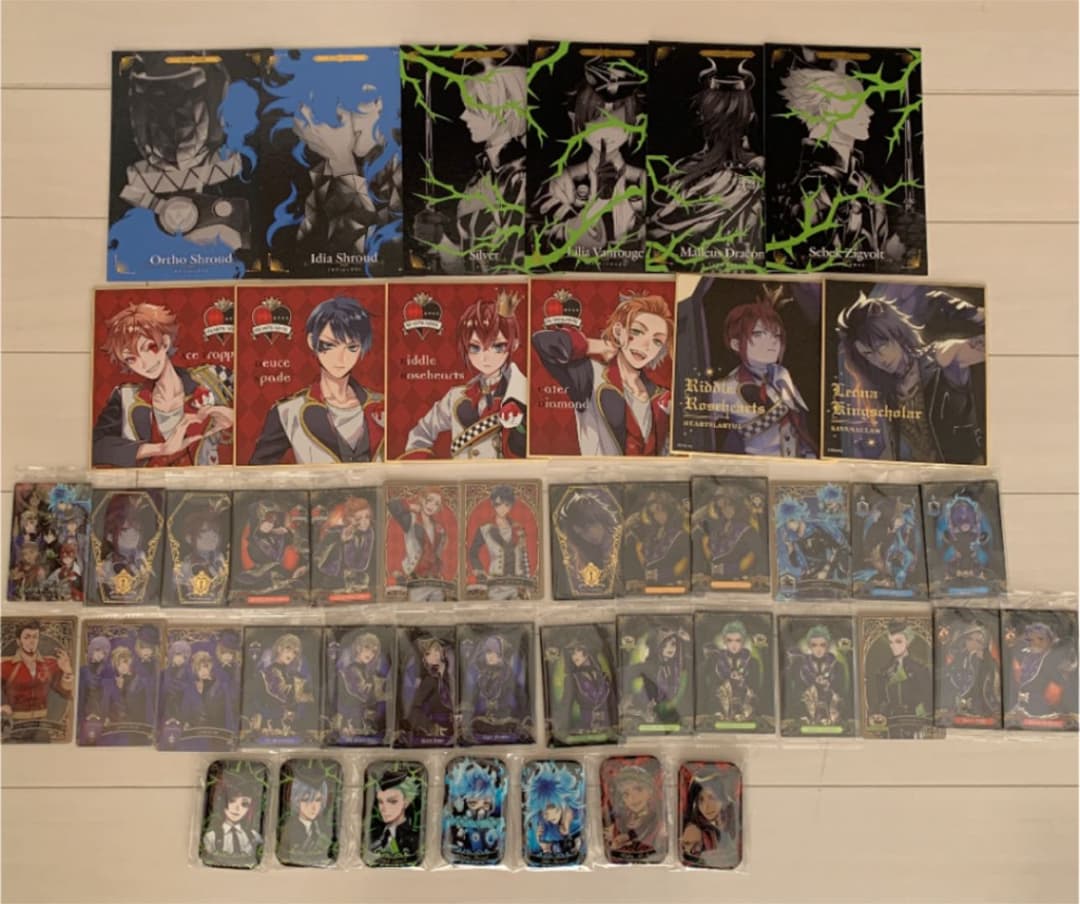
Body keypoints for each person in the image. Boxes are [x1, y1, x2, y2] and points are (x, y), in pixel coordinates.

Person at [262, 48, 401, 276]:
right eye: (332, 103)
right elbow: (311, 260)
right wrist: (338, 162)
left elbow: (370, 264)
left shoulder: (403, 167)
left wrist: (341, 161)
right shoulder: (327, 167)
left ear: (381, 102)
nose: (345, 121)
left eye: (361, 101)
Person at [774, 59, 907, 267]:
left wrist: (900, 243)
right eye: (856, 103)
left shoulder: (867, 183)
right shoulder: (810, 187)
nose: (869, 111)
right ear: (827, 109)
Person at [836, 291, 986, 463]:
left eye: (881, 345)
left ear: (896, 333)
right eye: (868, 354)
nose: (879, 358)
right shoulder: (888, 391)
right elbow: (898, 447)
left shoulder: (940, 357)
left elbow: (996, 345)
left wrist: (974, 314)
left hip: (962, 469)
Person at [412, 60, 527, 272]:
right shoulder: (482, 174)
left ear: (507, 108)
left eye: (475, 107)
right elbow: (470, 266)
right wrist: (442, 240)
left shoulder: (520, 179)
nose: (464, 116)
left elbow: (512, 271)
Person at [648, 58, 763, 263]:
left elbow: (658, 239)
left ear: (702, 116)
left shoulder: (683, 171)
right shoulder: (760, 176)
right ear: (750, 117)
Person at [92, 302, 234, 467]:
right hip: (151, 483)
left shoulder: (214, 377)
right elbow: (95, 447)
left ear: (165, 342)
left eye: (148, 347)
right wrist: (161, 449)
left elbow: (255, 423)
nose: (144, 363)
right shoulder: (125, 397)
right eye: (131, 359)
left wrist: (233, 418)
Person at [533, 291, 673, 456]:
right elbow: (545, 342)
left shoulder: (662, 397)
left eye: (657, 341)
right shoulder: (590, 374)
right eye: (637, 331)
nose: (646, 345)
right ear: (618, 331)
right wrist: (600, 346)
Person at [533, 57, 646, 258]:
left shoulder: (643, 180)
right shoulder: (563, 182)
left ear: (634, 122)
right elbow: (548, 242)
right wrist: (599, 202)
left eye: (618, 120)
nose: (607, 130)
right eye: (596, 119)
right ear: (576, 121)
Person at [251, 297, 384, 464]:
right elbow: (257, 472)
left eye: (352, 347)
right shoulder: (288, 411)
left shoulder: (382, 404)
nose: (340, 358)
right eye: (330, 345)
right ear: (311, 341)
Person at [403, 292, 527, 459]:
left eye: (498, 346)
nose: (485, 358)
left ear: (514, 344)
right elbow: (420, 434)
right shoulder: (455, 397)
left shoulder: (523, 395)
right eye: (475, 348)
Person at [708, 288, 817, 457]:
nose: (772, 341)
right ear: (736, 344)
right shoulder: (723, 388)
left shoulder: (782, 378)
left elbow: (800, 428)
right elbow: (704, 432)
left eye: (777, 335)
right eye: (759, 334)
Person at [0, 620, 73, 741]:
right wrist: (3, 704)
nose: (32, 641)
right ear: (19, 641)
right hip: (14, 725)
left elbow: (65, 692)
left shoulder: (50, 664)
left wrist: (67, 672)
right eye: (27, 637)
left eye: (35, 637)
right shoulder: (5, 665)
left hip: (41, 726)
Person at [467, 485, 532, 599]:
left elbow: (524, 556)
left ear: (511, 506)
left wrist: (526, 581)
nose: (502, 508)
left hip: (518, 583)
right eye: (498, 504)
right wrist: (481, 573)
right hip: (495, 583)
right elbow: (473, 553)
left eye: (506, 505)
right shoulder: (485, 528)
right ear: (493, 504)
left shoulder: (518, 528)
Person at [692, 484, 764, 585]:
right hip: (713, 582)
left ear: (737, 506)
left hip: (740, 582)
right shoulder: (717, 529)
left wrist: (720, 570)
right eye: (723, 506)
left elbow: (753, 558)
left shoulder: (748, 531)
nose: (726, 509)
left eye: (730, 505)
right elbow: (710, 558)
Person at [388, 490, 450, 601]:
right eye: (429, 500)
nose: (431, 506)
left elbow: (437, 554)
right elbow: (392, 505)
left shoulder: (438, 527)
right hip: (415, 578)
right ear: (422, 499)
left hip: (434, 580)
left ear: (438, 508)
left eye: (436, 504)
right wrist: (411, 506)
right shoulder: (411, 519)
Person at [623, 626, 691, 724]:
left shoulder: (679, 666)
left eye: (673, 644)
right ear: (658, 647)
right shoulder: (650, 666)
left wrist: (687, 640)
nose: (669, 648)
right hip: (652, 711)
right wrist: (628, 694)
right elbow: (627, 672)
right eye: (664, 645)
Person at [872, 623, 931, 736]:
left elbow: (927, 700)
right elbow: (880, 701)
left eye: (898, 641)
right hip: (890, 724)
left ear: (907, 642)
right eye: (891, 642)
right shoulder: (883, 671)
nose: (894, 646)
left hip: (913, 724)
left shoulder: (920, 669)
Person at [1011, 622, 1078, 720]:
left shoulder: (1053, 657)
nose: (1035, 643)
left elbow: (1068, 644)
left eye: (1041, 639)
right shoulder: (1023, 654)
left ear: (1050, 641)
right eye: (1030, 640)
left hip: (1046, 710)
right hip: (1021, 709)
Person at [623, 488, 688, 589]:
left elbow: (680, 568)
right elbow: (645, 563)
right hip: (647, 585)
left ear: (669, 510)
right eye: (654, 513)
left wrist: (652, 578)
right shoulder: (651, 535)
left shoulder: (681, 536)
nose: (658, 516)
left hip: (670, 586)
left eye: (661, 511)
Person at [256, 633, 314, 737]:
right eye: (288, 649)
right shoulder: (271, 671)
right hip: (272, 726)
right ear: (279, 649)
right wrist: (302, 691)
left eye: (295, 652)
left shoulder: (290, 673)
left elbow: (306, 696)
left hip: (288, 726)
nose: (291, 654)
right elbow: (283, 693)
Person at [316, 496, 376, 593]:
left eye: (367, 517)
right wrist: (343, 540)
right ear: (348, 519)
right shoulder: (334, 532)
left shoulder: (369, 532)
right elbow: (319, 557)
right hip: (331, 581)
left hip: (354, 581)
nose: (364, 522)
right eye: (358, 519)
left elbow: (361, 564)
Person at [524, 762, 583, 862]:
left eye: (550, 807)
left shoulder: (579, 820)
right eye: (541, 811)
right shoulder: (547, 828)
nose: (546, 816)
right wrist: (545, 848)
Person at [680, 770, 739, 868]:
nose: (706, 807)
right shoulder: (694, 829)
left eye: (712, 797)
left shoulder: (734, 822)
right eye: (701, 800)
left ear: (722, 797)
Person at [703, 621, 759, 723]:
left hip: (745, 706)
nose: (734, 645)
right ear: (724, 641)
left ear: (743, 641)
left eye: (738, 640)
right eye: (729, 640)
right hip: (720, 706)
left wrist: (742, 681)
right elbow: (711, 688)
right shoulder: (716, 660)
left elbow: (754, 689)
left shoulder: (752, 662)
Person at [336, 632, 387, 741]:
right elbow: (364, 693)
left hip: (361, 717)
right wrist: (378, 687)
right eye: (367, 647)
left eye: (374, 651)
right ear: (358, 647)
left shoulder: (365, 670)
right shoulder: (353, 669)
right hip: (353, 717)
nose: (370, 653)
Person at [942, 623, 999, 720]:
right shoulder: (960, 656)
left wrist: (984, 661)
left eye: (978, 641)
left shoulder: (987, 661)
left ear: (984, 645)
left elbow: (990, 684)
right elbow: (950, 674)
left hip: (979, 704)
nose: (972, 643)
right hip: (956, 700)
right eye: (969, 639)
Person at [202, 771, 263, 861]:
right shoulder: (211, 837)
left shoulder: (254, 836)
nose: (237, 808)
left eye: (244, 804)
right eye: (231, 800)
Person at [606, 764, 663, 860]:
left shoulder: (658, 821)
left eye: (639, 790)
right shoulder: (621, 821)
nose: (633, 798)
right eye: (626, 794)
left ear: (650, 791)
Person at [562, 635, 615, 735]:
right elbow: (565, 706)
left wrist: (615, 725)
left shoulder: (604, 677)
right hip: (585, 731)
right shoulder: (572, 679)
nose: (573, 657)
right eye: (571, 654)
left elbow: (612, 703)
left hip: (606, 731)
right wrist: (563, 730)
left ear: (587, 652)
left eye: (576, 651)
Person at [405, 635, 454, 740]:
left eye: (436, 650)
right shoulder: (429, 681)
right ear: (424, 658)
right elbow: (413, 710)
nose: (434, 654)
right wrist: (431, 727)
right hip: (438, 731)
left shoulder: (451, 675)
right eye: (428, 653)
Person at [795, 625, 845, 726]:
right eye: (814, 645)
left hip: (830, 701)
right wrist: (813, 682)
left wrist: (828, 683)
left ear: (827, 646)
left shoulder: (835, 664)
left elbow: (839, 685)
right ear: (809, 646)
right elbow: (800, 682)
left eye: (822, 645)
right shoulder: (803, 663)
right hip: (809, 701)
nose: (818, 649)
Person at [370, 769, 422, 859]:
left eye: (392, 801)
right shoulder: (377, 837)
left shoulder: (414, 840)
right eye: (380, 802)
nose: (384, 808)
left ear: (406, 802)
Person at [281, 775, 332, 859]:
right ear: (296, 801)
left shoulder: (322, 829)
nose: (314, 807)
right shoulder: (289, 829)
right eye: (306, 800)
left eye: (318, 800)